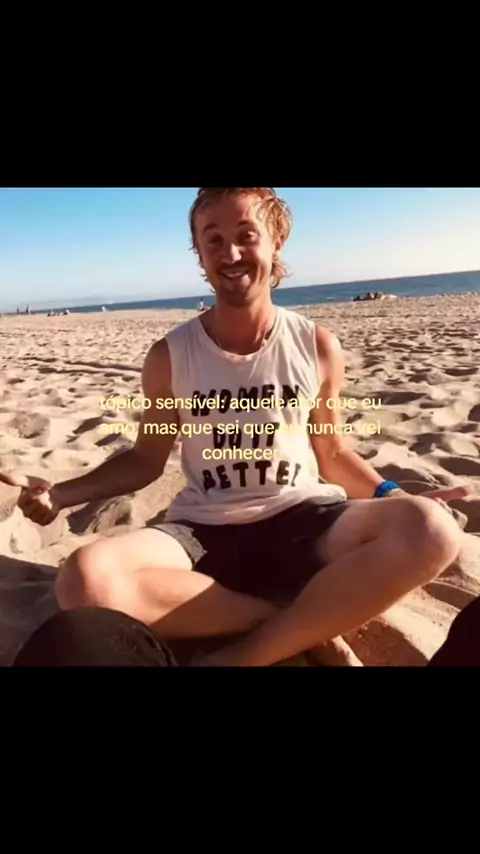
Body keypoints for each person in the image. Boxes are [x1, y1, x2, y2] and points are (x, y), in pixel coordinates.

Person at [0, 187, 472, 667]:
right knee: (84, 578)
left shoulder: (316, 346)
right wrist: (61, 494)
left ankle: (246, 655)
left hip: (306, 518)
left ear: (276, 241)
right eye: (214, 240)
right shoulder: (170, 356)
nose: (230, 254)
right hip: (204, 530)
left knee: (430, 530)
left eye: (246, 235)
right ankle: (290, 624)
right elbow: (145, 459)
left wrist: (393, 495)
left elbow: (331, 453)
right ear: (200, 253)